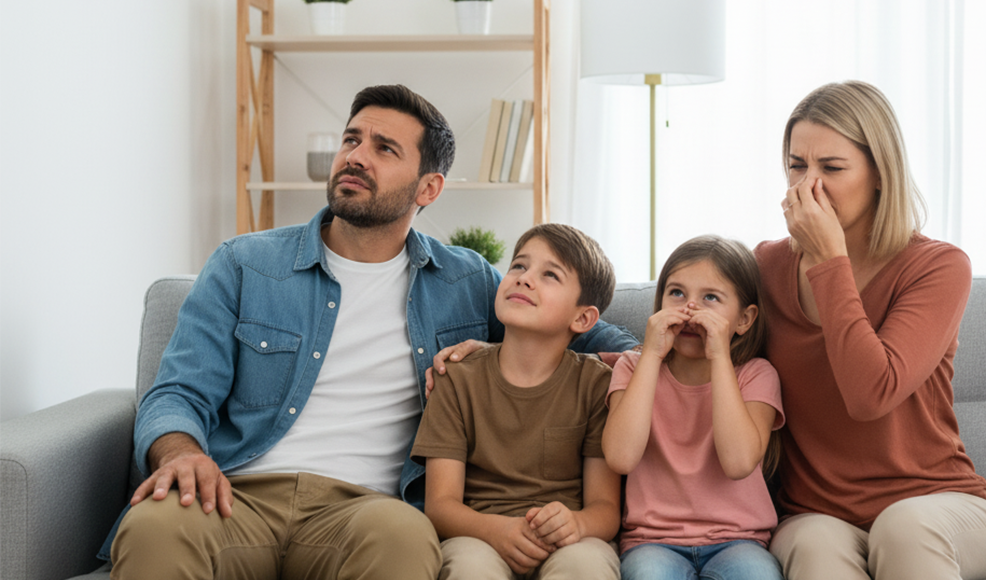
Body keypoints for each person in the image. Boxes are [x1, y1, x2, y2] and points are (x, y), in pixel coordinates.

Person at [107, 84, 637, 580]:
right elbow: (178, 390)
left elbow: (600, 341)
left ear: (428, 187)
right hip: (237, 494)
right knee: (155, 526)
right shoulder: (245, 264)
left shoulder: (466, 280)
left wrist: (496, 350)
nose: (356, 156)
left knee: (405, 539)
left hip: (369, 510)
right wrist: (180, 453)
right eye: (351, 140)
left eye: (385, 148)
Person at [756, 80, 986, 580]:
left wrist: (829, 259)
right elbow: (696, 349)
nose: (809, 185)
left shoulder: (937, 267)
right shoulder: (765, 267)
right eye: (796, 165)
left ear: (879, 173)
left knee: (904, 527)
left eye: (831, 168)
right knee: (812, 543)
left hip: (943, 507)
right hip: (819, 514)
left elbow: (871, 394)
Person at [412, 223, 623, 580]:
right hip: (478, 534)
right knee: (469, 568)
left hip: (568, 539)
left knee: (586, 566)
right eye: (519, 266)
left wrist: (576, 523)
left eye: (550, 275)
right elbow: (440, 505)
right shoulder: (455, 378)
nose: (525, 279)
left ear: (583, 317)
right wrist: (496, 531)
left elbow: (605, 509)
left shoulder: (596, 384)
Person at [602, 235, 785, 580]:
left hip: (740, 540)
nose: (689, 309)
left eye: (710, 298)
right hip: (651, 542)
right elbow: (620, 457)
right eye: (676, 293)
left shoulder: (756, 375)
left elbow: (738, 462)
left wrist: (719, 356)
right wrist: (652, 355)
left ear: (744, 320)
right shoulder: (632, 367)